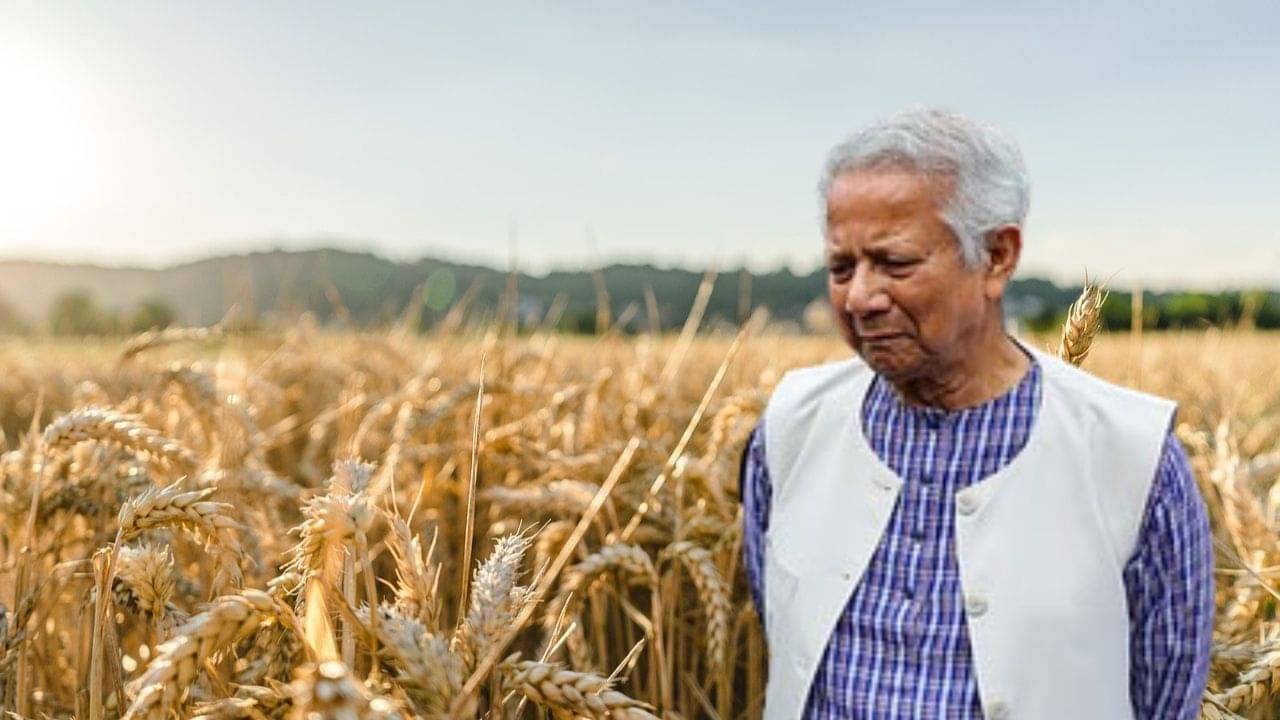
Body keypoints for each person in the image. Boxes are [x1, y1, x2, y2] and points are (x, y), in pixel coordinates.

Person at [738, 108, 1214, 720]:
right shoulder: (789, 430)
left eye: (895, 263)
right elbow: (780, 624)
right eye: (840, 267)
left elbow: (1165, 699)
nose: (858, 297)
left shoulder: (1131, 457)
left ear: (996, 256)